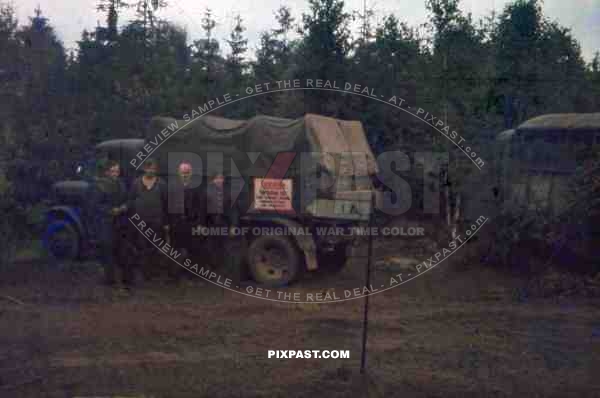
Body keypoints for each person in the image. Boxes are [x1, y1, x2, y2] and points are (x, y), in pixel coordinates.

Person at [128, 158, 170, 282]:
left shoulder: (162, 184)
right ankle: (144, 273)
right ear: (144, 169)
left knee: (155, 247)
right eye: (148, 168)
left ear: (156, 170)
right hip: (140, 222)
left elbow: (166, 203)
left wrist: (166, 222)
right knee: (142, 246)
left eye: (153, 168)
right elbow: (130, 200)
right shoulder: (136, 183)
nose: (151, 170)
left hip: (157, 221)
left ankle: (153, 272)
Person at [91, 159, 130, 288]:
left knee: (123, 250)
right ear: (107, 172)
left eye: (117, 171)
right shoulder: (100, 186)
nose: (115, 173)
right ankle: (109, 279)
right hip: (106, 223)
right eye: (113, 171)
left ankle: (126, 279)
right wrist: (110, 210)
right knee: (108, 251)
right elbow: (95, 206)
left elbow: (127, 199)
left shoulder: (122, 184)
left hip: (121, 222)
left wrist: (124, 207)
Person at [167, 161, 207, 282]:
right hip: (177, 223)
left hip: (192, 223)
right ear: (178, 173)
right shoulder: (172, 187)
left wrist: (200, 224)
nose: (185, 174)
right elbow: (167, 206)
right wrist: (168, 223)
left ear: (191, 174)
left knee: (193, 251)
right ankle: (174, 276)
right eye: (183, 172)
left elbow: (202, 207)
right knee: (175, 250)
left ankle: (192, 276)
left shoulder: (198, 187)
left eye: (187, 172)